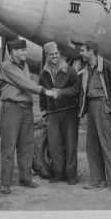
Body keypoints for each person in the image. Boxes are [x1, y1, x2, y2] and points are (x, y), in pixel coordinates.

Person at [0, 39, 57, 194]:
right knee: (8, 147)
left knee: (27, 145)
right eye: (22, 50)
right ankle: (5, 183)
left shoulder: (25, 65)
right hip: (12, 108)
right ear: (14, 52)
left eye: (25, 50)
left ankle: (25, 178)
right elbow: (25, 83)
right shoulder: (7, 66)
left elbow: (25, 84)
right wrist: (44, 91)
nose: (25, 53)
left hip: (26, 108)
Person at [78, 41, 111, 194]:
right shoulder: (86, 68)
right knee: (91, 145)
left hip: (103, 105)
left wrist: (110, 105)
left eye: (83, 51)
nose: (81, 53)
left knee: (107, 145)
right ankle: (98, 180)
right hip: (91, 107)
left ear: (91, 51)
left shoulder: (108, 65)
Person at [38, 42, 80, 185]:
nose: (55, 56)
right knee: (55, 144)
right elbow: (42, 92)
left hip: (69, 112)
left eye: (56, 53)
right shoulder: (43, 73)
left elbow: (76, 89)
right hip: (53, 113)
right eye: (51, 54)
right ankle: (58, 174)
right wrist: (43, 110)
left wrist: (61, 93)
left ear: (59, 54)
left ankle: (71, 175)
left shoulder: (69, 70)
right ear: (47, 56)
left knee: (70, 143)